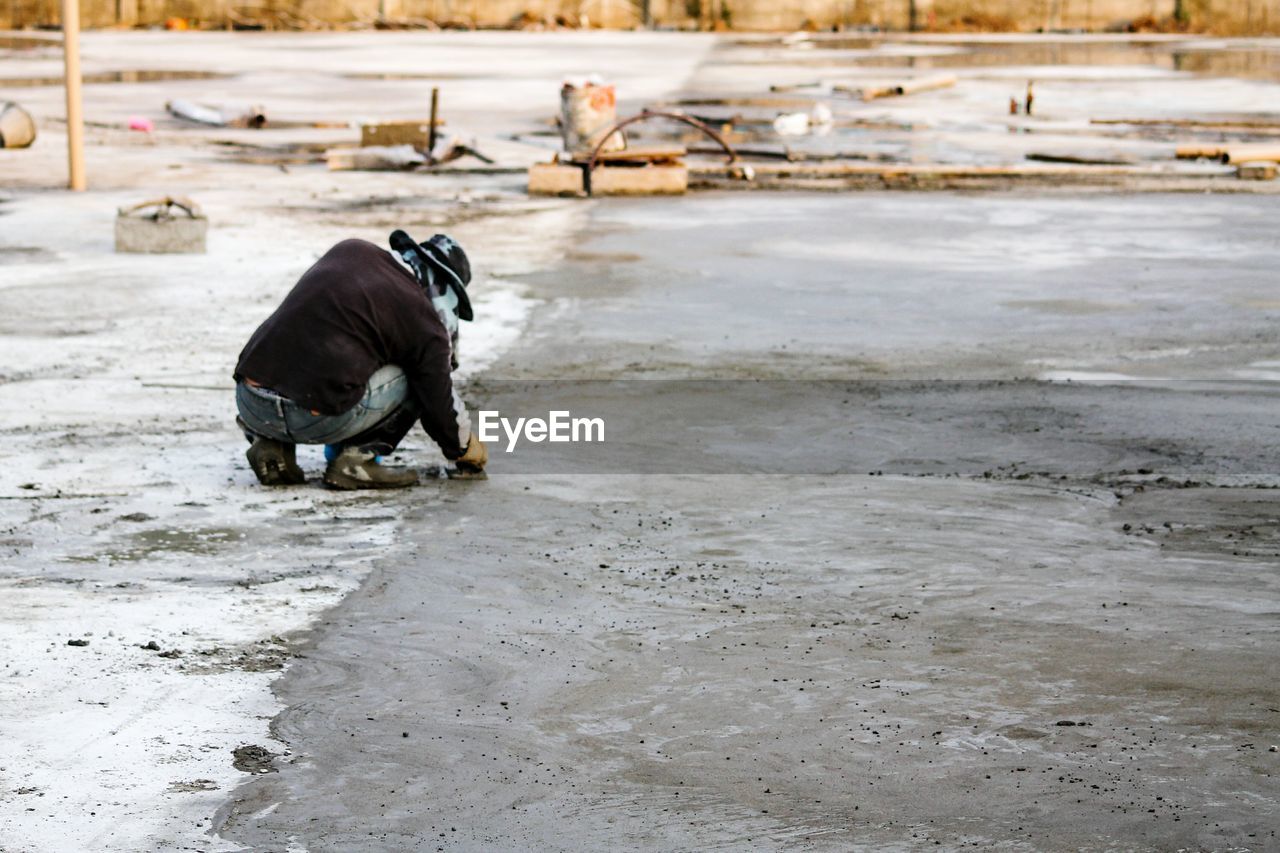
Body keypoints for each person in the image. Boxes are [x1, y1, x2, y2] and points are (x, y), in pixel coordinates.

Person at [233, 230, 488, 490]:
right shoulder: (423, 320)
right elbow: (438, 400)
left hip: (251, 403)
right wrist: (463, 446)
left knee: (305, 354)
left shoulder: (350, 250)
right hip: (314, 418)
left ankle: (270, 444)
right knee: (418, 372)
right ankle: (357, 462)